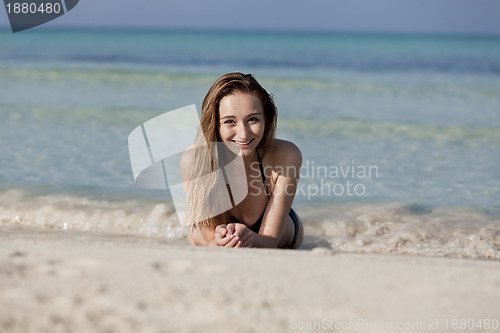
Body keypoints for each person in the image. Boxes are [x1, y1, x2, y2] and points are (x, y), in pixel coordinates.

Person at [180, 72, 303, 248]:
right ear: (215, 124)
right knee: (197, 234)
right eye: (230, 121)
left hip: (276, 231)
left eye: (252, 119)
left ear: (266, 119)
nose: (244, 134)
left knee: (289, 233)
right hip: (216, 232)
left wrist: (251, 238)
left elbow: (271, 241)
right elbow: (210, 240)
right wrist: (217, 241)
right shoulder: (194, 159)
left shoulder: (285, 154)